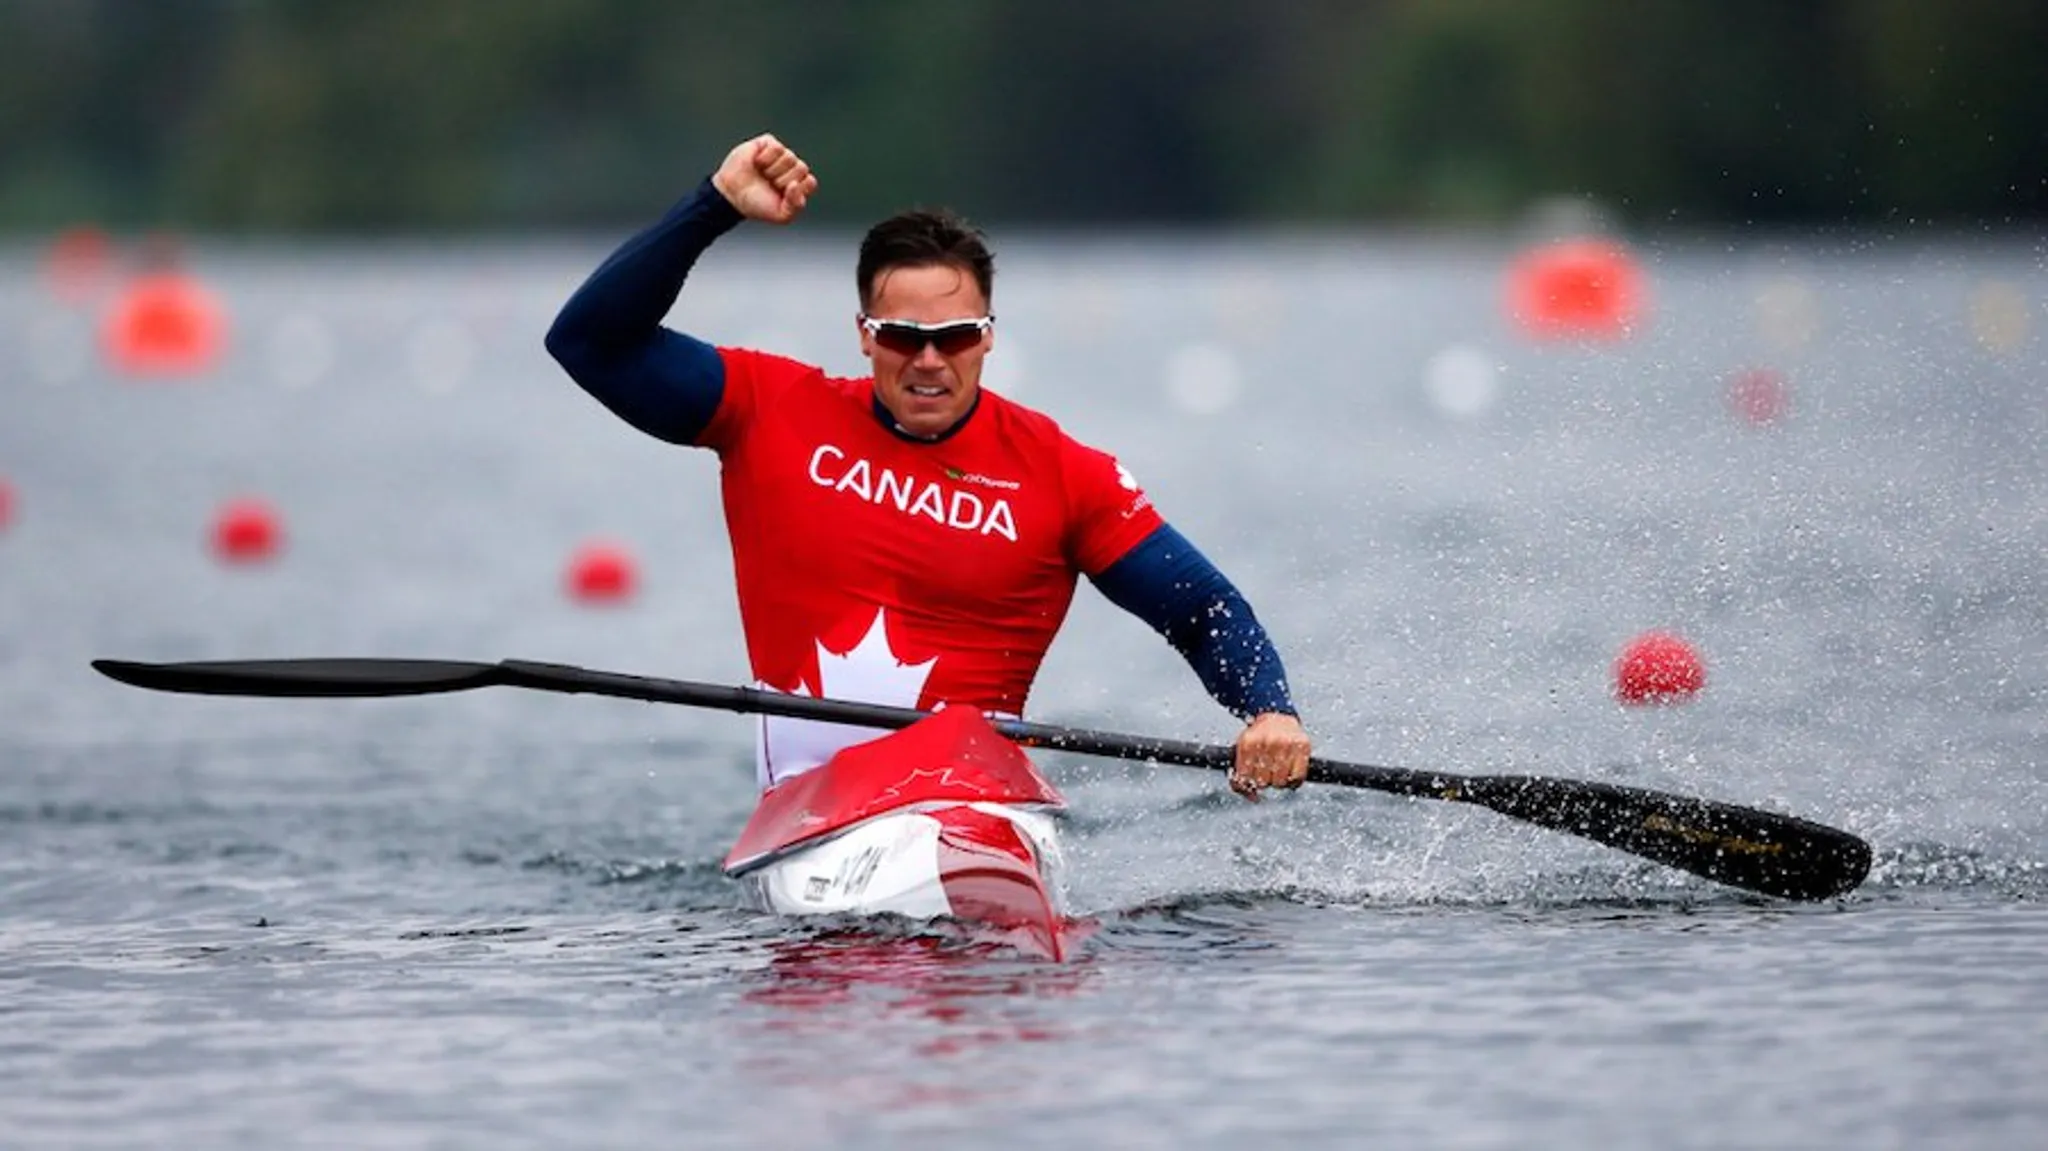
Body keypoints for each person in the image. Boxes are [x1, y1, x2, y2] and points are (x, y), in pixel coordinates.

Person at [545, 133, 1311, 800]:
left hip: (982, 812)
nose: (930, 360)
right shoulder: (768, 409)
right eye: (903, 335)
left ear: (988, 337)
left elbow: (1202, 611)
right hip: (814, 817)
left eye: (955, 335)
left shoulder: (1064, 472)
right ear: (864, 334)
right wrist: (713, 205)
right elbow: (588, 342)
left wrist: (1270, 712)